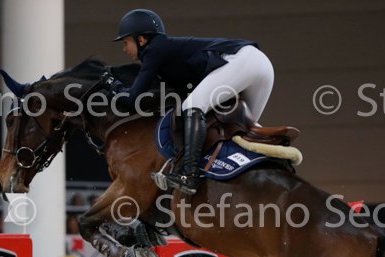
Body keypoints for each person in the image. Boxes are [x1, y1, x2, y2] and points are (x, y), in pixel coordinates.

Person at [107, 8, 274, 195]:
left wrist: (113, 85)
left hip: (243, 61)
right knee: (245, 129)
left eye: (126, 42)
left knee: (192, 107)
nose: (125, 49)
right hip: (262, 66)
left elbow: (132, 99)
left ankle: (189, 175)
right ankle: (272, 169)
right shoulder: (166, 53)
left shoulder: (154, 50)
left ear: (141, 39)